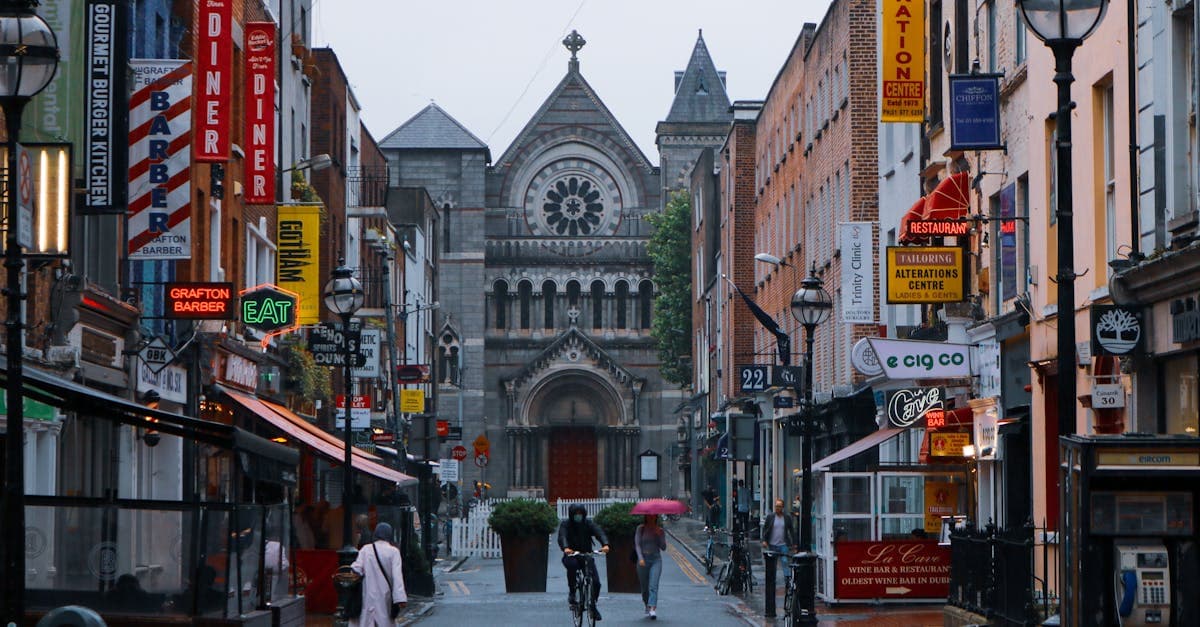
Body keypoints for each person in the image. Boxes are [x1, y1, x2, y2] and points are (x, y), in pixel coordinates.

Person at [557, 503, 610, 621]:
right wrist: (566, 548)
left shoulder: (588, 523)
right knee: (572, 565)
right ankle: (572, 592)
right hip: (571, 555)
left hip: (586, 555)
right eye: (576, 514)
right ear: (571, 515)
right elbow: (562, 536)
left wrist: (605, 544)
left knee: (596, 582)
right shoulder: (566, 525)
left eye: (580, 514)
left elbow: (599, 532)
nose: (578, 516)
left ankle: (593, 605)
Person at [350, 522, 407, 626]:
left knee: (367, 619)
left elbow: (356, 569)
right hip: (385, 594)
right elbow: (397, 576)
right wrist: (400, 598)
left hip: (368, 592)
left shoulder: (366, 549)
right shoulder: (393, 552)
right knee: (384, 620)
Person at [635, 514, 667, 620]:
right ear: (646, 517)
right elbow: (637, 545)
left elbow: (663, 547)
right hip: (643, 560)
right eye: (649, 515)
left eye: (653, 516)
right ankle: (647, 605)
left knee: (653, 586)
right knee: (644, 589)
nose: (651, 517)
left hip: (656, 560)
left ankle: (652, 608)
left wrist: (659, 535)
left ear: (656, 517)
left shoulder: (660, 530)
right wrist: (640, 558)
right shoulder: (641, 529)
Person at [760, 499, 798, 586]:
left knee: (784, 561)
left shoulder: (786, 518)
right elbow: (765, 530)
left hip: (783, 544)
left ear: (782, 507)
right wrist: (764, 540)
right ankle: (771, 580)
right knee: (772, 564)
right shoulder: (770, 517)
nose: (777, 508)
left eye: (779, 506)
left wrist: (794, 543)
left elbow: (791, 531)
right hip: (772, 545)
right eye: (776, 506)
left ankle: (787, 580)